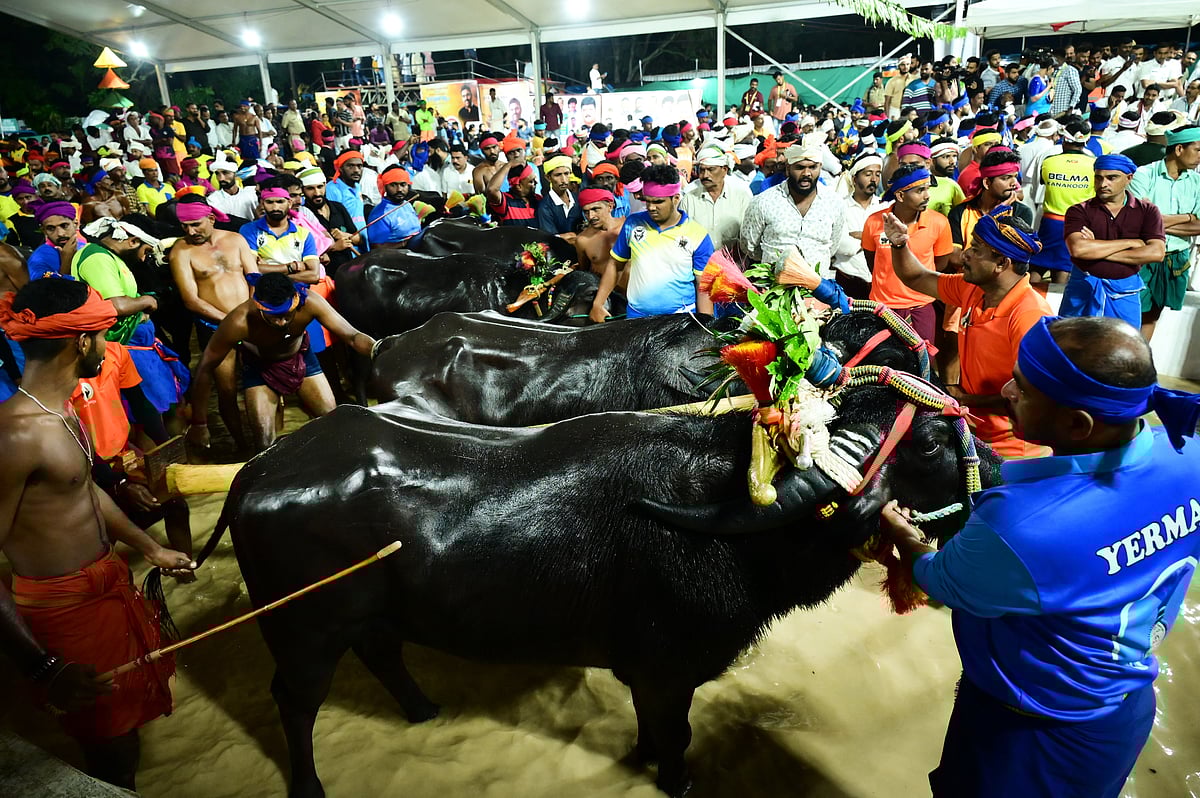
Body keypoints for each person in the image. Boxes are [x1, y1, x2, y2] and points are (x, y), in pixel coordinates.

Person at [878, 314, 1200, 798]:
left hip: (1032, 734)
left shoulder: (1023, 526)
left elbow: (938, 581)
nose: (1006, 390)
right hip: (1121, 711)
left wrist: (905, 539)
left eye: (1024, 389)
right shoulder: (1188, 456)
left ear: (1078, 423)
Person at [0, 278, 195, 790]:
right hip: (63, 610)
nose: (108, 346)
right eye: (104, 335)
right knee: (109, 748)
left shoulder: (62, 409)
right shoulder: (15, 434)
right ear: (82, 342)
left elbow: (85, 494)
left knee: (124, 728)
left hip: (105, 584)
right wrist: (44, 668)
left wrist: (149, 546)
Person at [884, 205, 1053, 457]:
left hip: (1015, 449)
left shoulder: (1030, 316)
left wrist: (962, 400)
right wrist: (899, 244)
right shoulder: (973, 289)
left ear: (1001, 263)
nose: (964, 255)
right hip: (974, 434)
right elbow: (916, 277)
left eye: (975, 249)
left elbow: (1035, 396)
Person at [187, 273, 375, 452]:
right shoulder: (239, 321)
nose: (281, 322)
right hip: (260, 367)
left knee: (331, 421)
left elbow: (351, 336)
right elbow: (205, 367)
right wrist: (199, 423)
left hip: (301, 358)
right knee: (263, 442)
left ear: (295, 301)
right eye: (274, 317)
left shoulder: (309, 302)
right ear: (259, 307)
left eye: (287, 315)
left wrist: (378, 349)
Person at [169, 197, 259, 449]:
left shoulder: (235, 239)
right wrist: (232, 321)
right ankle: (242, 444)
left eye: (195, 224)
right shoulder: (181, 251)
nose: (190, 231)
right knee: (227, 389)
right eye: (184, 226)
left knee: (265, 378)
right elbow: (191, 300)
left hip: (250, 319)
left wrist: (251, 312)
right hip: (214, 327)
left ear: (211, 218)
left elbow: (254, 278)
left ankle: (268, 438)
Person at [590, 164, 714, 321]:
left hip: (679, 320)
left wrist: (705, 326)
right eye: (647, 201)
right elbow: (615, 265)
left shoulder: (698, 235)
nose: (651, 207)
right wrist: (598, 304)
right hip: (636, 318)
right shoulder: (632, 225)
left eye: (658, 202)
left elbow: (703, 286)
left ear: (676, 198)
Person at [1062, 154, 1165, 328]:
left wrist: (1096, 250)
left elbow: (1156, 253)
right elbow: (1079, 249)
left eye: (1112, 178)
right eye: (1098, 178)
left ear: (1129, 178)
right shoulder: (1079, 211)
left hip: (1125, 294)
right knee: (1070, 347)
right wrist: (1131, 243)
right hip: (1083, 291)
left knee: (1124, 348)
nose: (1103, 184)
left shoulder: (1147, 211)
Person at [861, 163, 954, 344]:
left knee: (922, 363)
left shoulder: (939, 222)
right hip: (883, 307)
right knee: (884, 365)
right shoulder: (875, 222)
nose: (927, 195)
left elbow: (941, 264)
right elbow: (872, 262)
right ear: (901, 195)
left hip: (921, 306)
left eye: (928, 189)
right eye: (920, 191)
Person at [1128, 126, 1200, 340]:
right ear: (1179, 149)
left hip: (1176, 259)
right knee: (1131, 312)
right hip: (1144, 255)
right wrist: (1188, 216)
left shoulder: (1196, 182)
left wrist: (1157, 219)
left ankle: (1138, 362)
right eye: (1197, 150)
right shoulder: (1145, 174)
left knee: (1152, 314)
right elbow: (1140, 219)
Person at [741, 140, 847, 277]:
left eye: (812, 167)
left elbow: (832, 247)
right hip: (773, 291)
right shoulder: (763, 202)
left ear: (820, 167)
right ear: (787, 168)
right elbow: (749, 247)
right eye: (800, 167)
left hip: (818, 292)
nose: (807, 173)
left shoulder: (834, 203)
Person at [1031, 120, 1095, 283]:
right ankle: (1056, 306)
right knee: (1063, 267)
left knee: (1037, 265)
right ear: (1085, 141)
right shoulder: (1095, 164)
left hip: (1050, 222)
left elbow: (1043, 182)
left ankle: (1029, 303)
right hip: (1078, 224)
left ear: (1064, 139)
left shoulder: (1049, 161)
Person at [679, 143, 753, 252]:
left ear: (724, 170)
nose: (705, 176)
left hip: (733, 264)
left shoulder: (742, 197)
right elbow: (681, 236)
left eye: (711, 169)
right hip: (699, 263)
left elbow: (749, 236)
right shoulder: (689, 198)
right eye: (702, 170)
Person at [831, 151, 884, 300]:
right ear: (855, 179)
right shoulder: (840, 207)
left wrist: (863, 235)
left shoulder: (884, 207)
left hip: (878, 283)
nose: (874, 179)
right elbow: (843, 246)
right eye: (868, 174)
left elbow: (889, 241)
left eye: (877, 174)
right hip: (848, 281)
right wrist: (876, 238)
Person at [298, 166, 360, 272]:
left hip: (349, 270)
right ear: (302, 190)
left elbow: (358, 239)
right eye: (310, 188)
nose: (317, 193)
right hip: (324, 274)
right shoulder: (303, 215)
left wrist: (346, 236)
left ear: (325, 185)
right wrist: (334, 247)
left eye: (320, 187)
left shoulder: (338, 207)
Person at [575, 188, 624, 292]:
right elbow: (585, 273)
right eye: (586, 212)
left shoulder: (627, 227)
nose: (590, 216)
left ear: (610, 206)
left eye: (595, 209)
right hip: (606, 299)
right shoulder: (583, 240)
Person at [367, 166, 421, 247]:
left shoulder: (407, 204)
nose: (399, 189)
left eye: (403, 185)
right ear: (385, 186)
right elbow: (377, 249)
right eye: (393, 185)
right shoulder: (380, 214)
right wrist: (406, 243)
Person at [325, 152, 369, 248]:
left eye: (359, 166)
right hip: (348, 246)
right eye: (350, 166)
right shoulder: (332, 189)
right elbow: (332, 224)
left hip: (362, 243)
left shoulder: (357, 186)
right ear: (340, 168)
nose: (356, 170)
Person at [486, 151, 539, 228]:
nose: (536, 183)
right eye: (531, 181)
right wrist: (509, 165)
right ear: (519, 186)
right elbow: (492, 189)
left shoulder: (538, 199)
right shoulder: (506, 202)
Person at [535, 154, 581, 236]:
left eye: (566, 174)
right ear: (548, 178)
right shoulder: (545, 206)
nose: (563, 180)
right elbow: (550, 238)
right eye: (558, 175)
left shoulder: (577, 199)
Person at [206, 154, 260, 222]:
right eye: (217, 174)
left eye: (225, 173)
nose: (221, 178)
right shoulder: (213, 200)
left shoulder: (251, 194)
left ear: (234, 173)